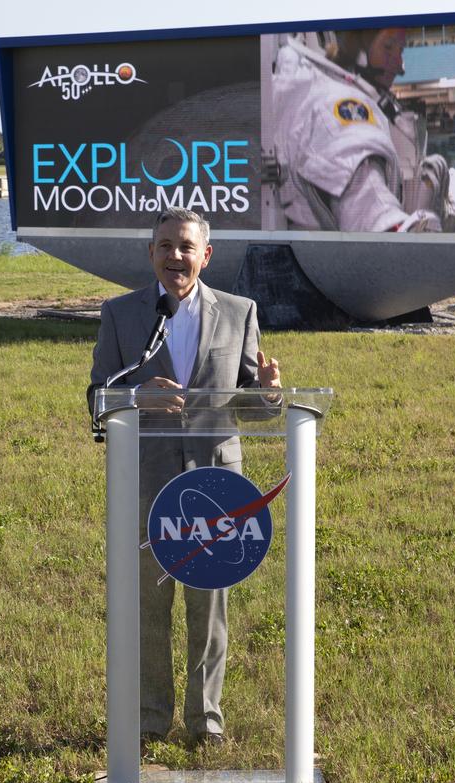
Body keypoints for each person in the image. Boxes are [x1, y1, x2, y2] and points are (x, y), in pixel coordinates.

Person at [88, 207, 282, 745]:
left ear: (206, 255)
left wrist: (268, 391)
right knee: (150, 605)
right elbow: (97, 398)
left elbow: (256, 409)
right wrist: (133, 397)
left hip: (216, 489)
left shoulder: (240, 312)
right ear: (151, 253)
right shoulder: (121, 314)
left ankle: (206, 722)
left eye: (186, 247)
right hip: (146, 482)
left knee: (209, 608)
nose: (176, 256)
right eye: (166, 246)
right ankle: (150, 720)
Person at [271, 28, 455, 233]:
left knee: (435, 169)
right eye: (388, 47)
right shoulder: (335, 106)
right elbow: (368, 204)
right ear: (357, 47)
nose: (399, 64)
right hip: (350, 259)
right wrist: (404, 233)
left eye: (400, 50)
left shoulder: (335, 93)